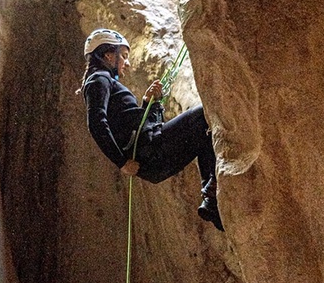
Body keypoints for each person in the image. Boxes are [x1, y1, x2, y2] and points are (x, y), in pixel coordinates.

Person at [79, 28, 223, 231]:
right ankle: (211, 191)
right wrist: (121, 162)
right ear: (108, 55)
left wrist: (150, 104)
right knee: (203, 114)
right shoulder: (99, 79)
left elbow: (134, 127)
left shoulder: (102, 81)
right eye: (124, 56)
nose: (127, 63)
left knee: (203, 135)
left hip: (151, 157)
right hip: (151, 150)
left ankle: (211, 198)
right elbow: (96, 122)